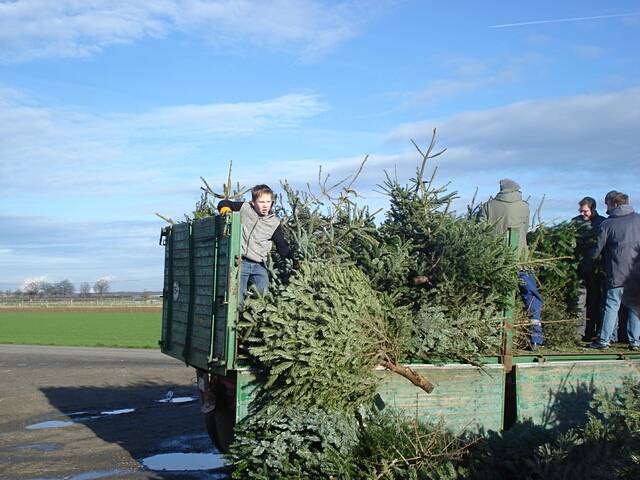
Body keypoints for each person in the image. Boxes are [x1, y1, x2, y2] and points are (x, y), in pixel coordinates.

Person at [479, 179, 544, 349]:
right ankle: (535, 337)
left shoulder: (488, 206)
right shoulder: (524, 206)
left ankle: (490, 337)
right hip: (521, 260)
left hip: (496, 261)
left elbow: (480, 232)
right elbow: (525, 229)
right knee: (531, 296)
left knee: (492, 298)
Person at [217, 184, 294, 302]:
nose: (265, 205)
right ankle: (237, 317)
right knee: (238, 296)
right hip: (240, 262)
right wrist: (225, 209)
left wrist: (293, 260)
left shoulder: (273, 223)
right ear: (253, 202)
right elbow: (224, 203)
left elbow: (281, 245)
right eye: (261, 202)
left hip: (260, 265)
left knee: (263, 294)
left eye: (268, 202)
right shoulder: (245, 208)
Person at [587, 191, 640, 350]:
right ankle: (635, 342)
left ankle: (603, 341)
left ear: (614, 204)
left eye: (607, 204)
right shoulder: (638, 219)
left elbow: (596, 250)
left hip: (616, 273)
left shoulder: (607, 224)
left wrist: (586, 264)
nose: (606, 208)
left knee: (611, 306)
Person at [571, 197, 606, 341]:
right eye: (581, 211)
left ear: (593, 209)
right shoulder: (575, 221)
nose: (582, 214)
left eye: (585, 211)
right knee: (580, 301)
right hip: (580, 268)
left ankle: (592, 332)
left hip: (597, 270)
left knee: (595, 302)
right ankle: (579, 333)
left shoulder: (602, 222)